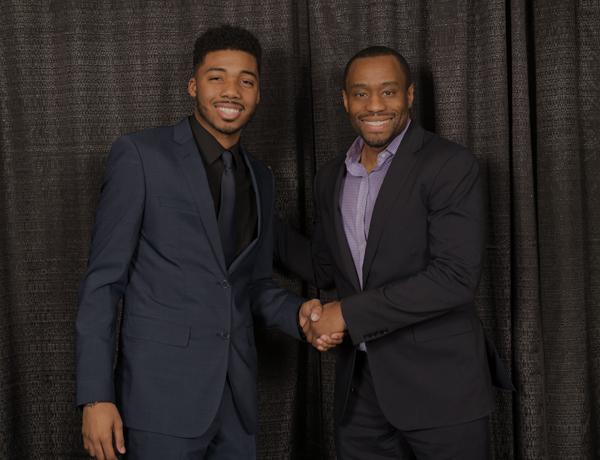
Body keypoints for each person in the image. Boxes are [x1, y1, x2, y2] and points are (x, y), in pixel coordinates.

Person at [75, 25, 336, 460]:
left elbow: (248, 285)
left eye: (246, 80)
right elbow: (103, 283)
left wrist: (300, 314)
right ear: (193, 85)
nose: (231, 91)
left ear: (259, 93)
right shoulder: (140, 156)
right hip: (159, 404)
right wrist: (95, 396)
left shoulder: (262, 179)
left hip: (236, 404)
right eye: (217, 77)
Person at [277, 46, 513, 459]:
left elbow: (454, 278)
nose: (374, 106)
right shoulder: (331, 176)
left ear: (409, 95)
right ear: (345, 100)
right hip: (361, 396)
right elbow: (324, 266)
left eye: (387, 92)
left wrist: (345, 315)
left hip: (443, 391)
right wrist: (255, 221)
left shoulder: (449, 165)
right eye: (361, 93)